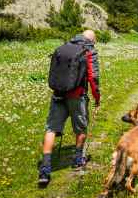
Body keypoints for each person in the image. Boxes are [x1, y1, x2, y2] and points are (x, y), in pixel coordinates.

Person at [38, 29, 101, 186]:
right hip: (77, 96)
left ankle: (45, 169)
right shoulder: (89, 51)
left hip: (58, 93)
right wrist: (97, 98)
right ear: (92, 41)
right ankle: (78, 159)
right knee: (80, 128)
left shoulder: (63, 47)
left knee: (51, 128)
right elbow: (93, 78)